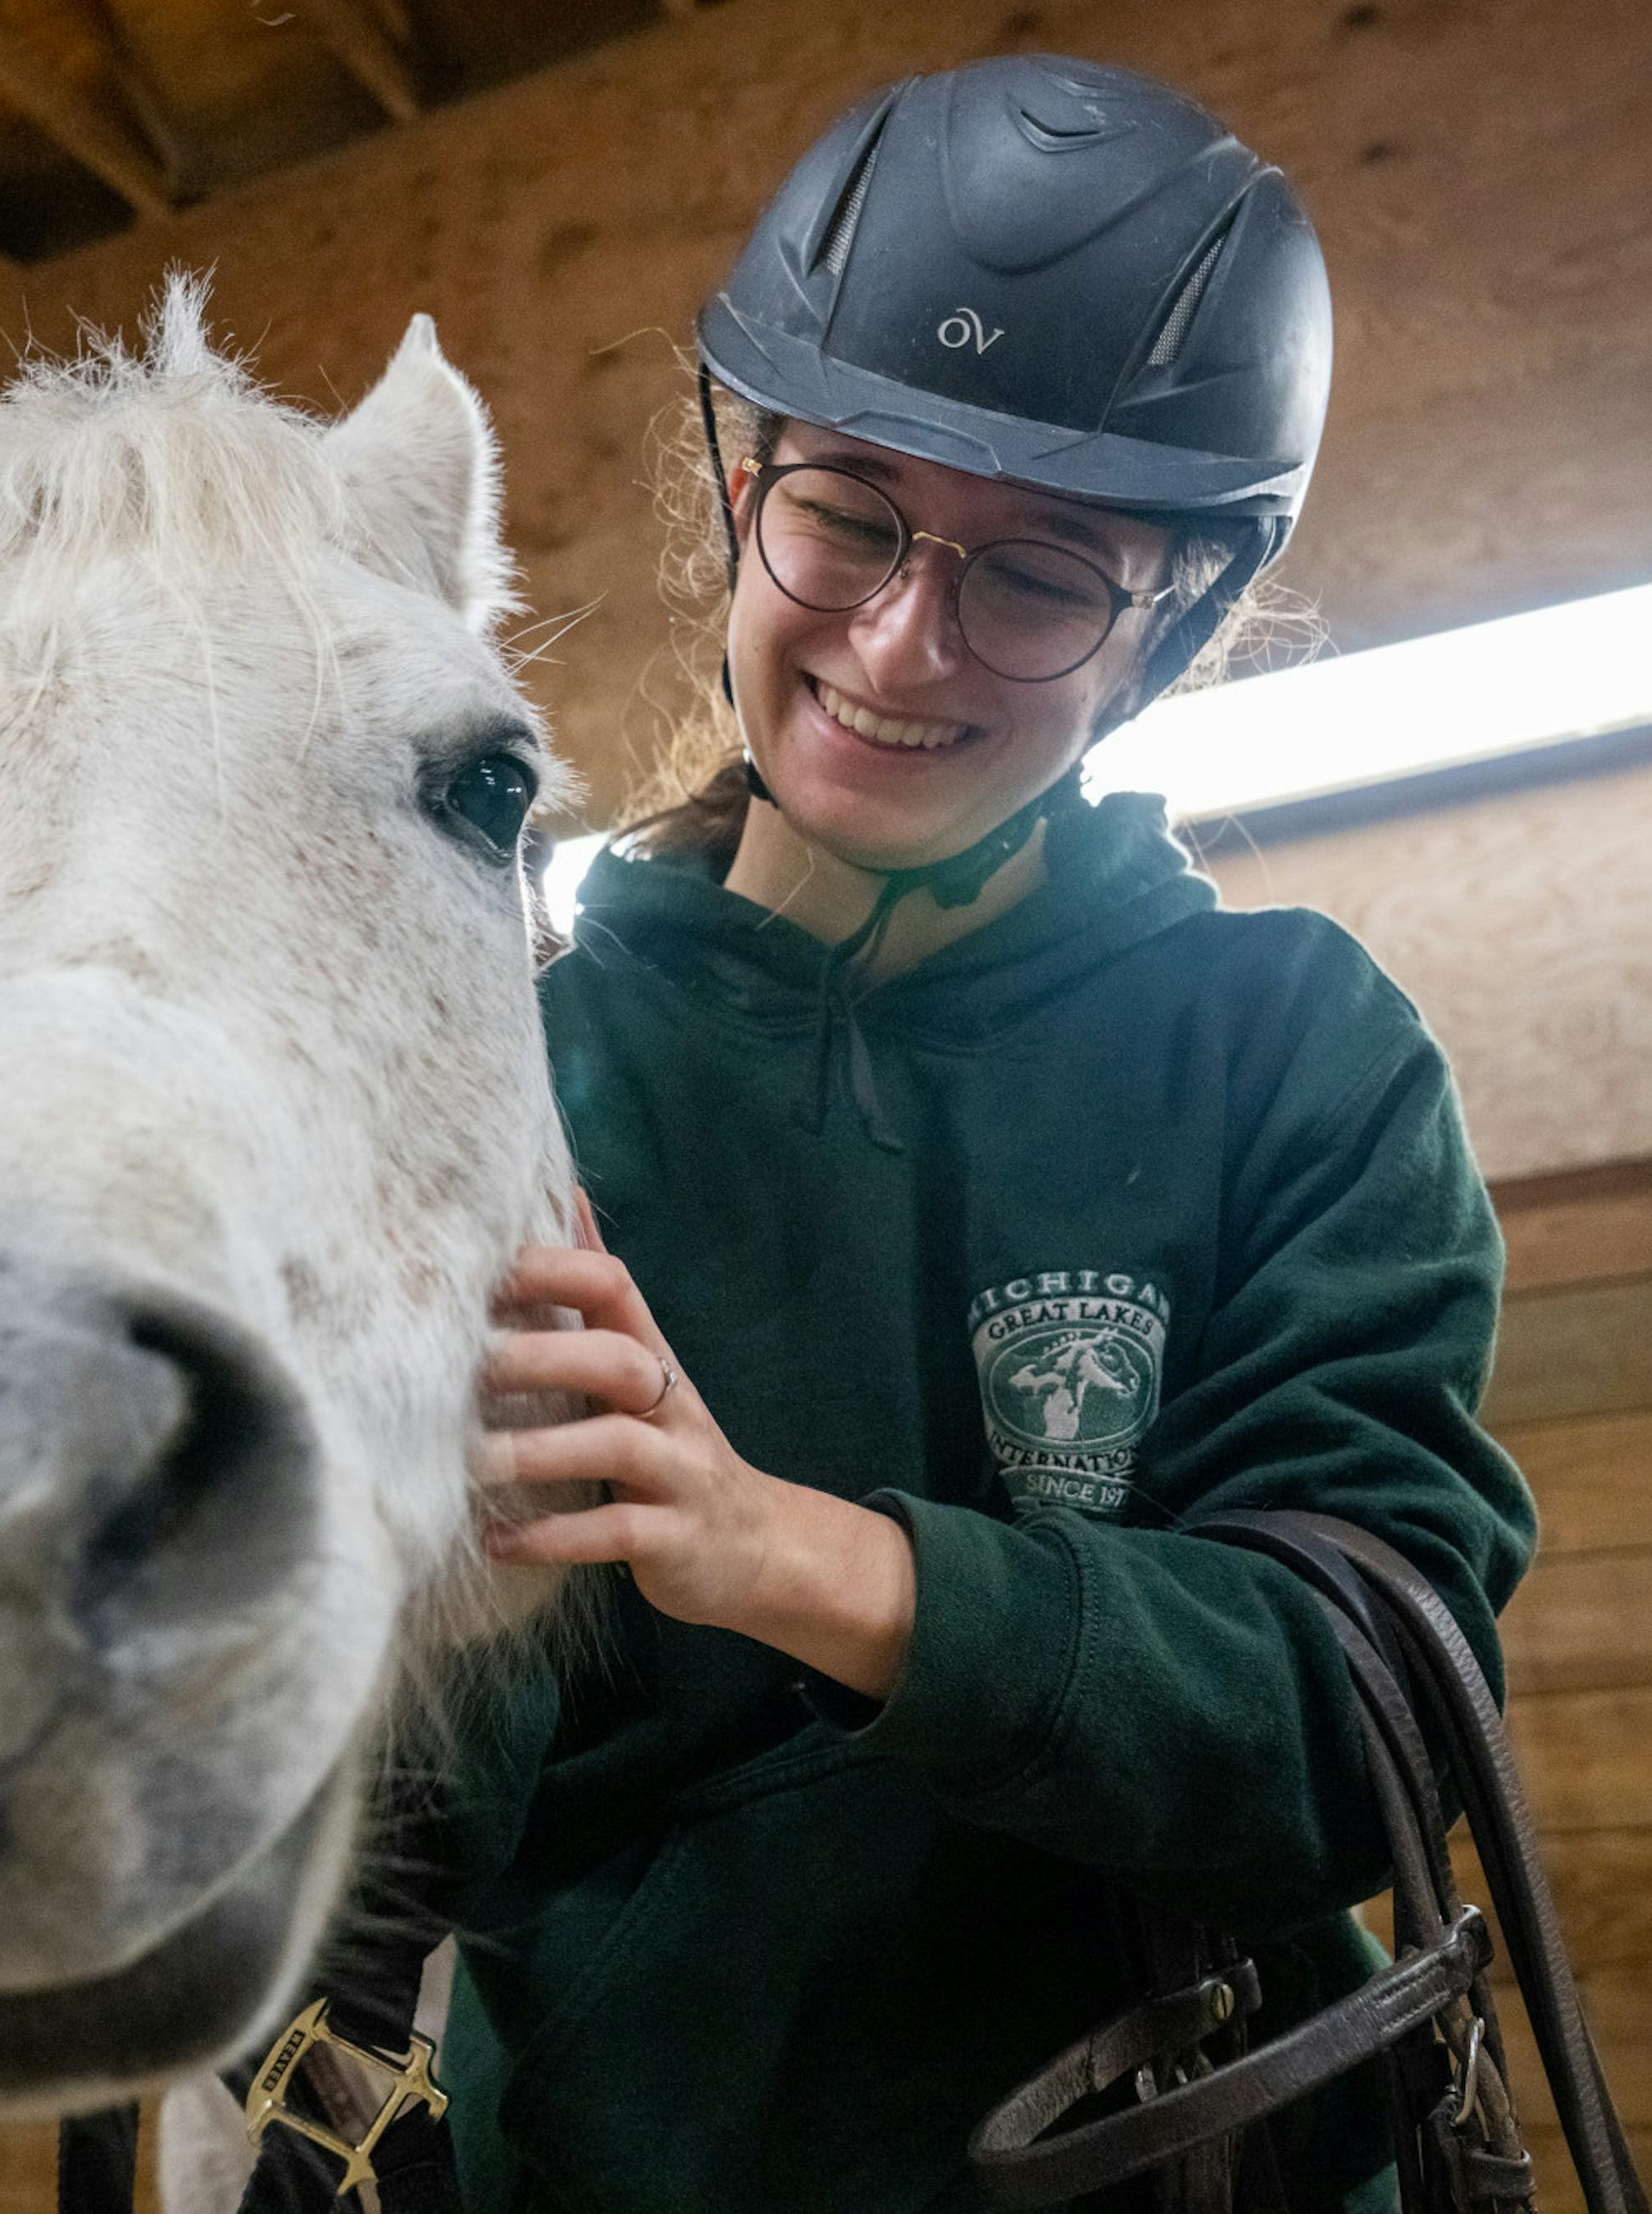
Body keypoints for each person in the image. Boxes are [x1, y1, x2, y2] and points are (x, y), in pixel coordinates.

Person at [441, 52, 1535, 2214]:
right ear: (742, 485)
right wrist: (419, 1604)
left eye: (1034, 578)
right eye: (845, 513)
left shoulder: (1291, 1048)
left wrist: (797, 1557)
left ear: (1179, 623)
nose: (897, 639)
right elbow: (402, 1839)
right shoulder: (509, 1071)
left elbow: (1361, 1719)